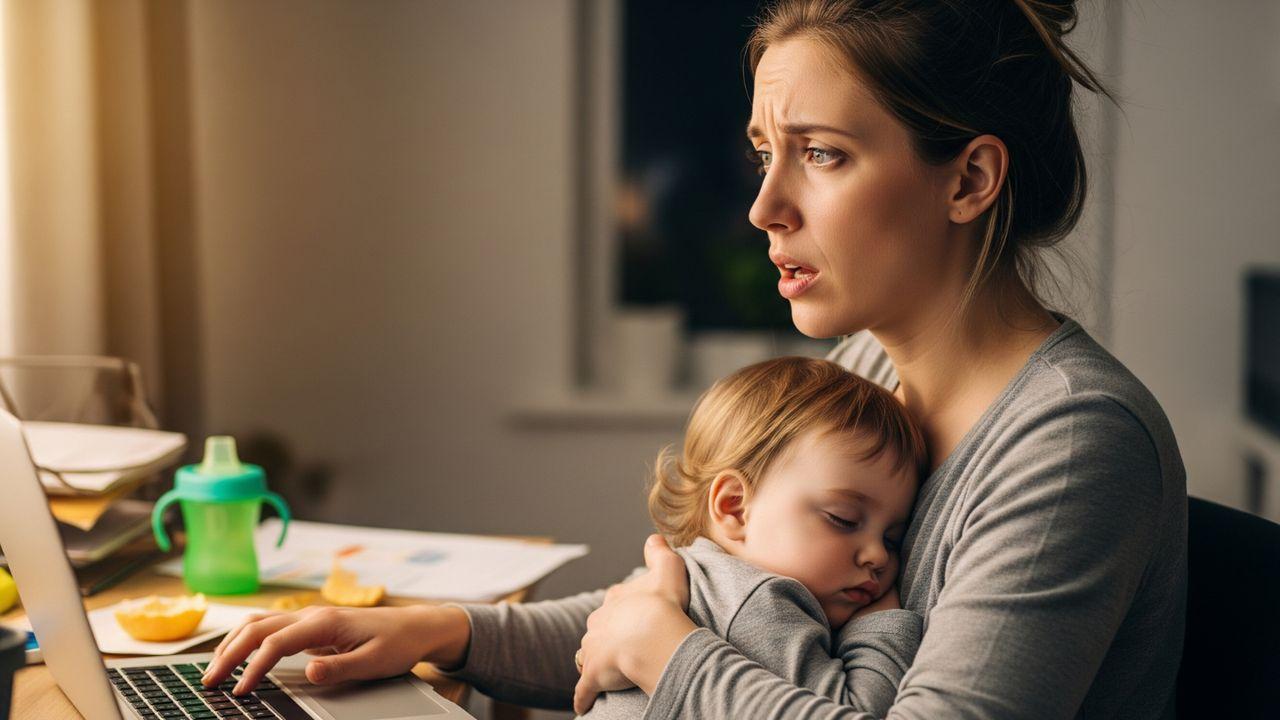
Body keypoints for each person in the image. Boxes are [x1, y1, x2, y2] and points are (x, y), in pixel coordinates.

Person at [203, 0, 1188, 717]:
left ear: (968, 177)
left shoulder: (1066, 446)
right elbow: (703, 601)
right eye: (765, 153)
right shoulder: (866, 374)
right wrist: (441, 631)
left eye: (823, 154)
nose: (763, 209)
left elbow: (671, 635)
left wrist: (664, 654)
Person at [584, 355, 929, 717]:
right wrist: (880, 620)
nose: (878, 555)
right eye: (843, 519)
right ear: (735, 507)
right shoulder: (758, 601)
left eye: (892, 538)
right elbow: (862, 708)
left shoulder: (688, 576)